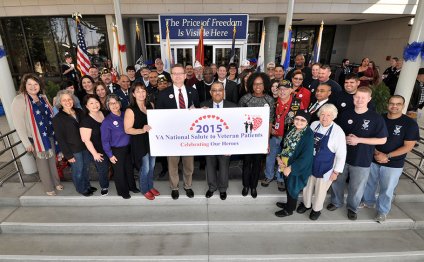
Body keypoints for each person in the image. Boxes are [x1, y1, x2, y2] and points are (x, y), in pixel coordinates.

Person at [327, 87, 388, 220]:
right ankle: (336, 202)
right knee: (337, 181)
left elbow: (383, 139)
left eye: (363, 98)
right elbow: (335, 133)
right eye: (357, 97)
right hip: (342, 157)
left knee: (357, 187)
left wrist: (359, 140)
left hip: (362, 159)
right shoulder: (345, 114)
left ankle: (352, 208)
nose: (359, 100)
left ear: (369, 99)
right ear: (353, 98)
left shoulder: (376, 118)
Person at [362, 95, 419, 222]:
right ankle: (367, 201)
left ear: (403, 106)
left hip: (394, 163)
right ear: (387, 104)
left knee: (387, 189)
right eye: (392, 103)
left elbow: (408, 146)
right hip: (374, 158)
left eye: (398, 104)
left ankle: (382, 211)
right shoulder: (379, 118)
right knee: (369, 183)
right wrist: (377, 153)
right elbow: (370, 137)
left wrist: (387, 156)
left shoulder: (409, 123)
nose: (394, 106)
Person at [11, 73, 63, 196]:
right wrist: (26, 142)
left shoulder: (43, 98)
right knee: (42, 164)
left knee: (52, 161)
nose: (33, 87)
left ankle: (56, 182)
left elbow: (51, 115)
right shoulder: (19, 100)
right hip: (35, 139)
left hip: (49, 134)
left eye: (35, 84)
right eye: (29, 84)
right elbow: (19, 124)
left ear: (39, 85)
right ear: (24, 85)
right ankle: (48, 187)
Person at [156, 64, 200, 200]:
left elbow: (197, 111)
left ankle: (188, 186)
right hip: (172, 137)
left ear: (185, 75)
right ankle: (174, 187)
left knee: (189, 164)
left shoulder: (193, 91)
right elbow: (159, 116)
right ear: (171, 76)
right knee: (173, 164)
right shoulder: (163, 94)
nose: (178, 76)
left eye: (180, 73)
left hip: (189, 136)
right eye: (174, 73)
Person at [297, 104, 346, 220]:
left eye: (328, 115)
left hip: (325, 167)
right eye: (322, 114)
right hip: (310, 164)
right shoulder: (314, 125)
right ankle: (306, 204)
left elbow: (341, 154)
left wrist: (336, 172)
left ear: (333, 117)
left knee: (320, 191)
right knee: (307, 186)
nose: (325, 117)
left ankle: (316, 209)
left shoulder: (338, 132)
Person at [238, 72, 275, 198]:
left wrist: (267, 141)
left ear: (265, 85)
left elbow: (270, 121)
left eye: (260, 84)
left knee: (257, 164)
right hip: (247, 139)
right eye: (254, 84)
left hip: (261, 140)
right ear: (251, 85)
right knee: (247, 163)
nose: (257, 86)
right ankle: (245, 185)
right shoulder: (245, 99)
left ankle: (253, 186)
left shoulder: (269, 100)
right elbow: (239, 120)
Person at [53, 90, 95, 196]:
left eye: (69, 99)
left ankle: (87, 185)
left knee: (86, 168)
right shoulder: (57, 118)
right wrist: (68, 155)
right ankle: (81, 189)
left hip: (85, 146)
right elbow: (60, 139)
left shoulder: (80, 111)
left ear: (73, 100)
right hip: (73, 150)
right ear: (60, 102)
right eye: (64, 100)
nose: (68, 102)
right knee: (78, 170)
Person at [201, 82, 237, 200]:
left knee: (224, 166)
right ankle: (212, 187)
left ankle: (222, 189)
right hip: (209, 144)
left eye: (220, 90)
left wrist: (232, 145)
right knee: (210, 166)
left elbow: (235, 128)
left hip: (225, 144)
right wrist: (198, 112)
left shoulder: (233, 107)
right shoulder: (203, 106)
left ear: (224, 92)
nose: (217, 92)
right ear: (210, 92)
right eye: (214, 90)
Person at [275, 110, 314, 217]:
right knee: (288, 185)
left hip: (296, 166)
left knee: (293, 187)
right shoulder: (292, 129)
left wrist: (291, 168)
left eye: (303, 120)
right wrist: (279, 158)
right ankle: (288, 204)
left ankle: (289, 210)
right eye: (297, 119)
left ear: (307, 122)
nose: (299, 122)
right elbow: (285, 145)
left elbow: (306, 156)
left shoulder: (308, 135)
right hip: (285, 162)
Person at [262, 80, 300, 191]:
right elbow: (266, 118)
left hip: (289, 137)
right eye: (280, 89)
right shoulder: (272, 102)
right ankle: (269, 175)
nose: (282, 91)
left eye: (286, 89)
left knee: (284, 158)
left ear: (291, 90)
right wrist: (270, 129)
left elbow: (302, 120)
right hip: (274, 135)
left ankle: (280, 179)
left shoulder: (296, 103)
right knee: (270, 156)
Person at [124, 82, 159, 200]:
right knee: (146, 167)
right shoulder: (130, 110)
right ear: (133, 94)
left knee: (152, 166)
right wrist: (142, 130)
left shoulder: (151, 105)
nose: (141, 93)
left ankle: (150, 186)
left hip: (152, 141)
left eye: (143, 91)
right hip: (139, 142)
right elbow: (127, 130)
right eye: (138, 91)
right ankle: (145, 189)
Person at [101, 94, 139, 199]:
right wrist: (110, 155)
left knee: (129, 169)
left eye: (116, 102)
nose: (114, 105)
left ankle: (132, 187)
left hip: (128, 147)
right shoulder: (107, 121)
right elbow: (105, 141)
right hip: (117, 150)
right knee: (119, 172)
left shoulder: (125, 114)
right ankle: (123, 191)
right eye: (111, 103)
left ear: (120, 103)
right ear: (108, 105)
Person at [80, 95, 110, 196]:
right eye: (91, 103)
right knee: (103, 170)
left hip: (111, 147)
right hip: (98, 150)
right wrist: (95, 154)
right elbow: (86, 140)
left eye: (96, 102)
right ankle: (104, 186)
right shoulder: (86, 120)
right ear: (86, 106)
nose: (95, 105)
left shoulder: (106, 113)